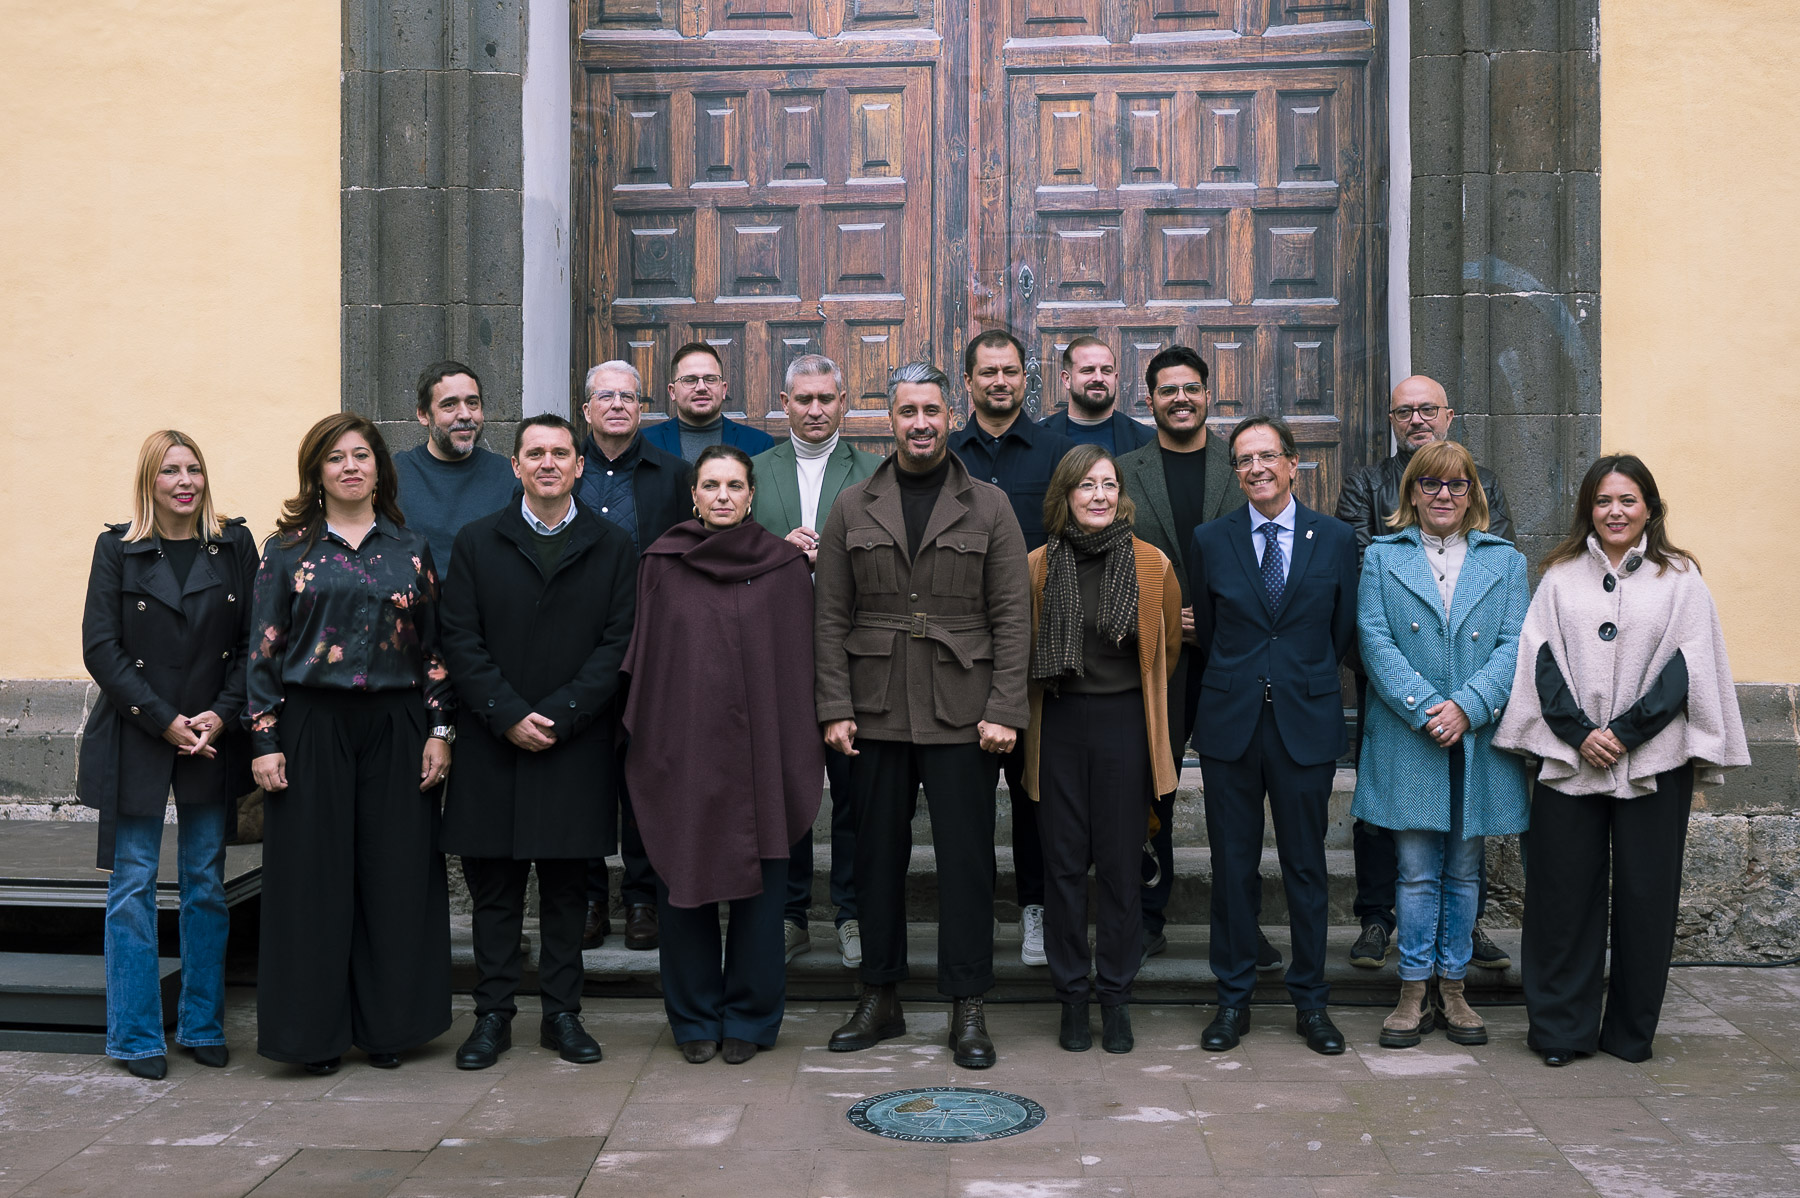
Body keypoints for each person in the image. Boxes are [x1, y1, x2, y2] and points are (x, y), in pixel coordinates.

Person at [1495, 455, 1749, 1067]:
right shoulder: (1559, 577)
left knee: (1646, 896)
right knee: (1562, 896)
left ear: (1650, 508)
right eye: (1604, 500)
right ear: (1589, 508)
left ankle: (1631, 1032)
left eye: (1628, 500)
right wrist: (1582, 734)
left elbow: (1688, 665)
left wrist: (1626, 734)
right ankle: (1561, 1030)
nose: (1615, 511)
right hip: (1570, 757)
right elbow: (1540, 660)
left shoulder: (1681, 579)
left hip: (1655, 759)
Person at [816, 361, 1031, 1068]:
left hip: (963, 711)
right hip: (874, 710)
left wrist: (1005, 708)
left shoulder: (990, 505)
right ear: (889, 418)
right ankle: (879, 996)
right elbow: (830, 616)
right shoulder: (853, 504)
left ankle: (967, 1004)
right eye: (907, 411)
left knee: (967, 863)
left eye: (931, 411)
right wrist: (834, 707)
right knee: (874, 860)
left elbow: (1012, 615)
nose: (920, 424)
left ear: (950, 416)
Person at [246, 412, 455, 1074]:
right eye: (335, 458)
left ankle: (392, 1027)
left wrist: (440, 730)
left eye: (361, 455)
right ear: (316, 471)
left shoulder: (411, 548)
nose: (350, 467)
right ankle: (314, 1037)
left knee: (396, 877)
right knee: (312, 882)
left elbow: (433, 650)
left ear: (379, 468)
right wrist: (265, 739)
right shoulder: (286, 552)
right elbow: (262, 651)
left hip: (397, 726)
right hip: (311, 725)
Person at [438, 414, 638, 1070]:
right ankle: (492, 1016)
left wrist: (557, 715)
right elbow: (458, 638)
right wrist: (506, 715)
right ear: (516, 466)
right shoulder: (476, 542)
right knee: (494, 893)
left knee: (566, 892)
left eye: (559, 453)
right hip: (491, 743)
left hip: (573, 744)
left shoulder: (613, 545)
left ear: (580, 466)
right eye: (535, 454)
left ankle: (562, 1015)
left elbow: (618, 643)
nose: (547, 463)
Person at [620, 445, 823, 1064]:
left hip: (765, 751)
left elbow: (800, 666)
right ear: (694, 495)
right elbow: (645, 664)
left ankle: (751, 1019)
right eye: (711, 485)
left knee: (763, 896)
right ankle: (693, 1019)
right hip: (685, 750)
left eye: (734, 485)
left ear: (752, 495)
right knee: (684, 885)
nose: (723, 496)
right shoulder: (661, 564)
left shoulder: (784, 567)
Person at [77, 430, 258, 1080]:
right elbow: (101, 648)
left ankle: (202, 1023)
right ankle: (135, 1037)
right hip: (139, 733)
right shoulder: (116, 549)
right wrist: (163, 720)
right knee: (132, 886)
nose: (185, 482)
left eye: (194, 469)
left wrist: (222, 713)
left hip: (210, 736)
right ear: (149, 481)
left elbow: (254, 643)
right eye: (170, 471)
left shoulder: (233, 545)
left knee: (205, 885)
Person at [1351, 441, 1531, 1050]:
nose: (1443, 495)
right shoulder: (1383, 556)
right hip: (1413, 734)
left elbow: (1514, 645)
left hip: (1476, 736)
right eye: (1429, 484)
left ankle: (1453, 987)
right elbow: (1374, 639)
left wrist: (1469, 707)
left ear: (1473, 493)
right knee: (1414, 871)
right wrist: (1428, 707)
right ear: (1412, 492)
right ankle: (1411, 989)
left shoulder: (1506, 562)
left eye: (1456, 485)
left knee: (1463, 868)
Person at [1188, 415, 1357, 1056]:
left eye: (1267, 456)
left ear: (1292, 463)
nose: (1256, 468)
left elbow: (1341, 629)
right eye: (1243, 460)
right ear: (1236, 472)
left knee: (1305, 866)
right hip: (1231, 726)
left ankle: (1311, 1003)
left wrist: (1294, 678)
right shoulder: (1212, 539)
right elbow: (1210, 629)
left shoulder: (1335, 538)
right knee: (1232, 868)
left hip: (1304, 723)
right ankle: (1232, 1000)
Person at [1337, 375, 1515, 972]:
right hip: (1395, 684)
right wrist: (1418, 696)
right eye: (1404, 411)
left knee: (1465, 823)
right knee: (1389, 809)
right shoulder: (1367, 484)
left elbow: (1497, 587)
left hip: (1472, 688)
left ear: (1448, 414)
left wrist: (1468, 701)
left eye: (1427, 409)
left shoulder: (1485, 485)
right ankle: (1376, 917)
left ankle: (1464, 933)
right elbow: (1359, 571)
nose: (1417, 419)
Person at [1023, 445, 1180, 1054]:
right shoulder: (1038, 565)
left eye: (1109, 484)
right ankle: (1071, 997)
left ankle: (1115, 997)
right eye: (1086, 485)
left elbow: (1166, 650)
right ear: (1065, 495)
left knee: (1119, 868)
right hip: (1058, 725)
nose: (1099, 495)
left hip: (1124, 727)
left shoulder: (1151, 563)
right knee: (1062, 867)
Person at [1114, 345, 1262, 966]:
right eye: (1168, 390)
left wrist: (1217, 621)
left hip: (1234, 661)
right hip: (1153, 661)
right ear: (1149, 400)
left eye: (1191, 388)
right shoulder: (1123, 471)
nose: (1181, 399)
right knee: (1152, 792)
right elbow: (1109, 561)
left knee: (1236, 799)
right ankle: (1145, 918)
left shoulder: (1245, 466)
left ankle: (1242, 927)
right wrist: (1163, 617)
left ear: (1208, 395)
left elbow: (1269, 557)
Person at [948, 329, 1075, 968]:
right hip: (958, 653)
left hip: (1038, 651)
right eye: (988, 372)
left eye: (1011, 371)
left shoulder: (1058, 453)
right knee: (965, 797)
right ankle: (970, 916)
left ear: (1028, 379)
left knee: (1035, 791)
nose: (1000, 381)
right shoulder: (945, 454)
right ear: (968, 381)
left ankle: (1036, 907)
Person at [749, 353, 880, 970]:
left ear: (843, 401)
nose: (816, 409)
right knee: (786, 790)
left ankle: (851, 913)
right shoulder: (753, 471)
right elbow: (725, 547)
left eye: (826, 398)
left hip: (854, 657)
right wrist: (777, 552)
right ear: (784, 403)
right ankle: (790, 914)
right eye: (803, 399)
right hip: (776, 656)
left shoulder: (875, 472)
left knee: (855, 790)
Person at [574, 360, 697, 953]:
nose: (618, 404)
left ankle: (643, 898)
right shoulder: (562, 469)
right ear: (587, 409)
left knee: (645, 775)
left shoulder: (674, 475)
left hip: (651, 650)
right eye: (606, 396)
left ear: (643, 408)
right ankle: (588, 898)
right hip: (576, 652)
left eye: (629, 396)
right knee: (583, 776)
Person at [392, 361, 519, 571]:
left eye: (472, 403)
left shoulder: (509, 476)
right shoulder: (394, 474)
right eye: (449, 404)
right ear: (423, 414)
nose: (465, 414)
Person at [641, 342, 775, 462]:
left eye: (710, 379)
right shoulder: (645, 442)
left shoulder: (759, 444)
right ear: (672, 392)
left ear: (723, 390)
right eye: (689, 380)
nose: (701, 387)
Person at [1036, 336, 1155, 454]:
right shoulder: (1036, 438)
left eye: (1106, 371)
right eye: (1088, 370)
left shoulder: (1147, 441)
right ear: (1067, 379)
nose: (1099, 378)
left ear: (1115, 379)